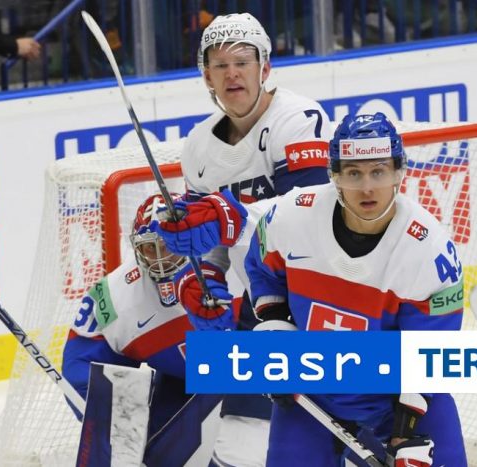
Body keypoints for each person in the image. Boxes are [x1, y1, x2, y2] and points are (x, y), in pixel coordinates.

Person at [155, 11, 333, 467]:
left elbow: (307, 214)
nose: (232, 73)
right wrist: (204, 276)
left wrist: (226, 216)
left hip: (323, 292)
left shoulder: (299, 118)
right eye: (219, 64)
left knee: (341, 422)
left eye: (242, 62)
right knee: (241, 432)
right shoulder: (198, 145)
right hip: (262, 299)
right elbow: (211, 239)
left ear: (265, 67)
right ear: (206, 77)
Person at [243, 112, 468, 466]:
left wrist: (406, 433)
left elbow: (430, 354)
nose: (367, 188)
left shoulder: (429, 250)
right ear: (334, 175)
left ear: (399, 172)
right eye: (353, 173)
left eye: (378, 172)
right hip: (311, 392)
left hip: (398, 398)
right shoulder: (293, 216)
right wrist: (277, 332)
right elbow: (263, 268)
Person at [62, 193, 234, 438]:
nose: (162, 259)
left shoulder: (235, 262)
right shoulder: (115, 296)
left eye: (171, 244)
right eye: (151, 248)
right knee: (155, 439)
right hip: (183, 382)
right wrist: (111, 417)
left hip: (261, 379)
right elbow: (82, 362)